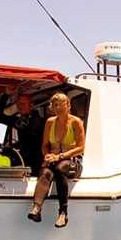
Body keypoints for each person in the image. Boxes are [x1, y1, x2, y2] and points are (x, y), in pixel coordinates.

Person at [28, 92, 86, 228]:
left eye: (61, 104)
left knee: (60, 169)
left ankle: (63, 213)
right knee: (44, 173)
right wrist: (47, 155)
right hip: (53, 159)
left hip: (72, 161)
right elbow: (45, 145)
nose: (58, 108)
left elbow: (81, 148)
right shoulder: (49, 123)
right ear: (52, 107)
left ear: (68, 105)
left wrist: (59, 156)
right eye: (55, 105)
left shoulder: (76, 122)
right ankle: (37, 207)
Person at [0, 85, 45, 175]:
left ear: (31, 106)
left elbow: (30, 133)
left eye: (23, 104)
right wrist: (6, 95)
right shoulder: (19, 120)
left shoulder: (38, 120)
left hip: (36, 163)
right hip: (23, 161)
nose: (20, 106)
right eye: (18, 104)